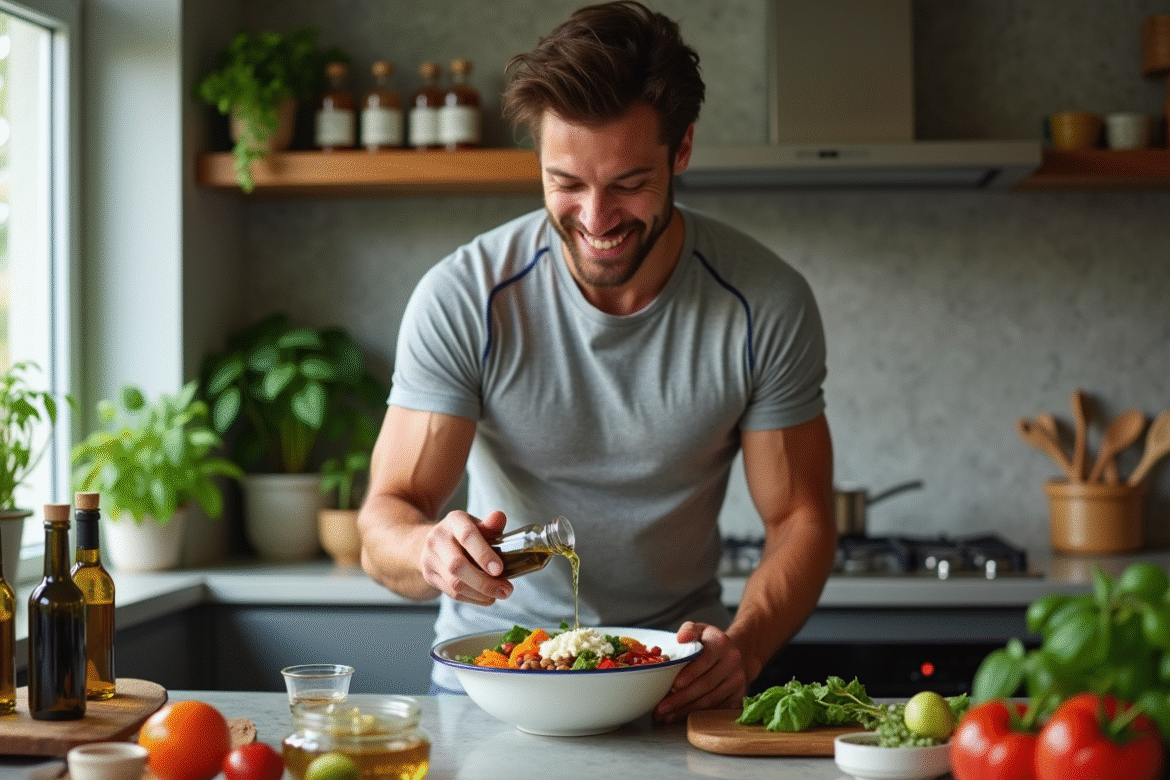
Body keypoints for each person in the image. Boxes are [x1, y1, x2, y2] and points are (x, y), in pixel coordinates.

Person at [358, 0, 836, 722]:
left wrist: (745, 645)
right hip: (494, 684)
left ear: (681, 152)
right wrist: (430, 550)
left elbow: (800, 518)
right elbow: (384, 520)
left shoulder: (763, 303)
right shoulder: (464, 297)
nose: (595, 219)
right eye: (566, 183)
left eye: (627, 184)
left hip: (671, 683)